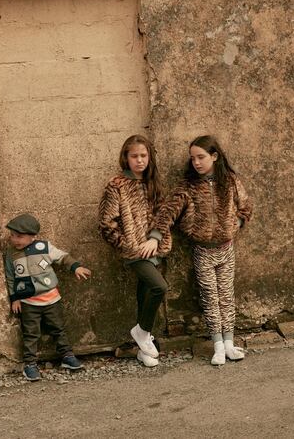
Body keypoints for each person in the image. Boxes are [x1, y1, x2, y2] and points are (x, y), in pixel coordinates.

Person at [157, 135, 253, 366]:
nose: (196, 163)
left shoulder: (230, 182)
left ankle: (229, 343)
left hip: (226, 248)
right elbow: (168, 212)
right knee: (210, 297)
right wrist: (155, 236)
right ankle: (217, 345)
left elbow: (246, 207)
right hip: (202, 251)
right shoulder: (187, 186)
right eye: (193, 158)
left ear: (214, 156)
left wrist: (235, 225)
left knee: (226, 296)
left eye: (201, 157)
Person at [98, 134, 172, 367]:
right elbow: (106, 222)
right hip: (134, 253)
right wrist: (129, 246)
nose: (139, 160)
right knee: (160, 287)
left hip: (154, 249)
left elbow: (164, 215)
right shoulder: (116, 186)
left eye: (143, 155)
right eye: (134, 156)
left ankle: (143, 351)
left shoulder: (154, 183)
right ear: (125, 158)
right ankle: (141, 333)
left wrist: (154, 240)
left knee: (145, 294)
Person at [3, 213, 92, 381]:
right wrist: (15, 298)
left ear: (33, 237)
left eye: (19, 236)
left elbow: (62, 257)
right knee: (30, 333)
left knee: (58, 328)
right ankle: (30, 364)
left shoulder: (44, 247)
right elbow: (10, 277)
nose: (15, 240)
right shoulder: (11, 254)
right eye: (12, 236)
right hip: (28, 302)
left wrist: (76, 268)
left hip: (51, 299)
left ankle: (67, 355)